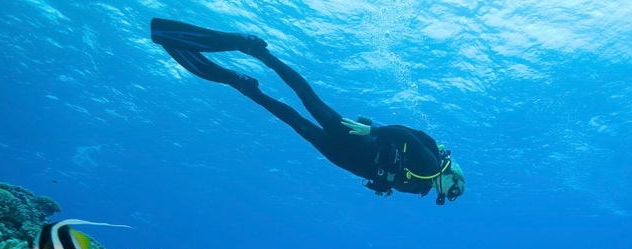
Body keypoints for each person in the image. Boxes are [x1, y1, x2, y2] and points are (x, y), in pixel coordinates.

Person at [150, 18, 465, 204]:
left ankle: (246, 85)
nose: (448, 195)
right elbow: (405, 136)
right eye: (454, 190)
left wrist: (382, 185)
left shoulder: (421, 185)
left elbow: (392, 170)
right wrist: (373, 130)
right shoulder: (431, 165)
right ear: (451, 176)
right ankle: (257, 53)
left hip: (347, 158)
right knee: (307, 99)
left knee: (295, 120)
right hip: (357, 139)